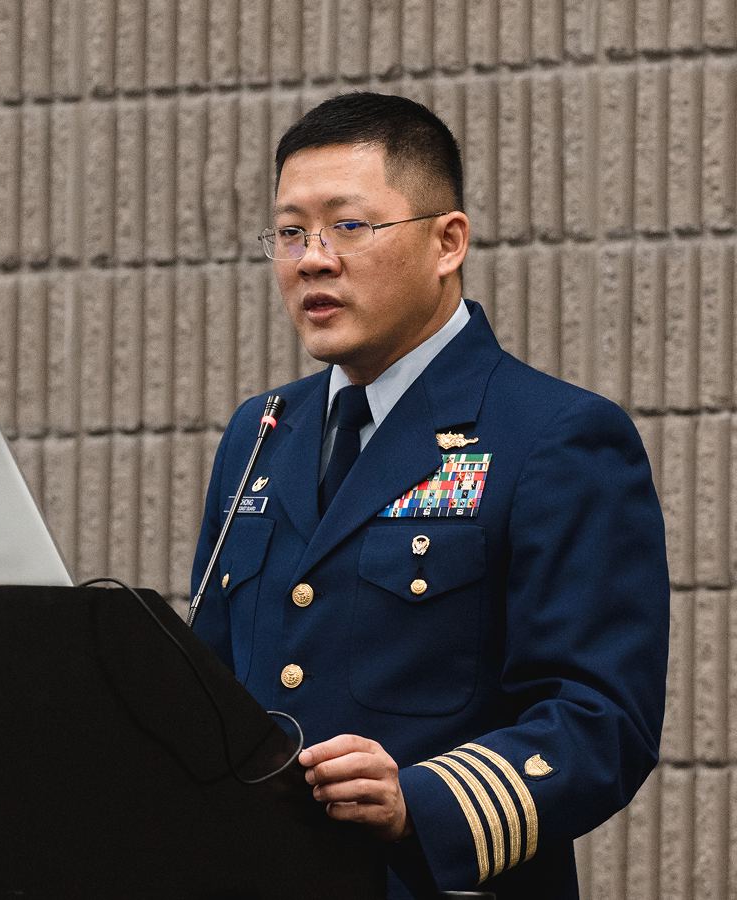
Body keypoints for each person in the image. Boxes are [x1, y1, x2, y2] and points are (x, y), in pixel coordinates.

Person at [190, 92, 669, 899]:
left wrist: (420, 802)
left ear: (448, 242)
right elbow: (206, 690)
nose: (312, 260)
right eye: (291, 232)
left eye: (349, 226)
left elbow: (600, 719)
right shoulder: (261, 432)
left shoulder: (554, 435)